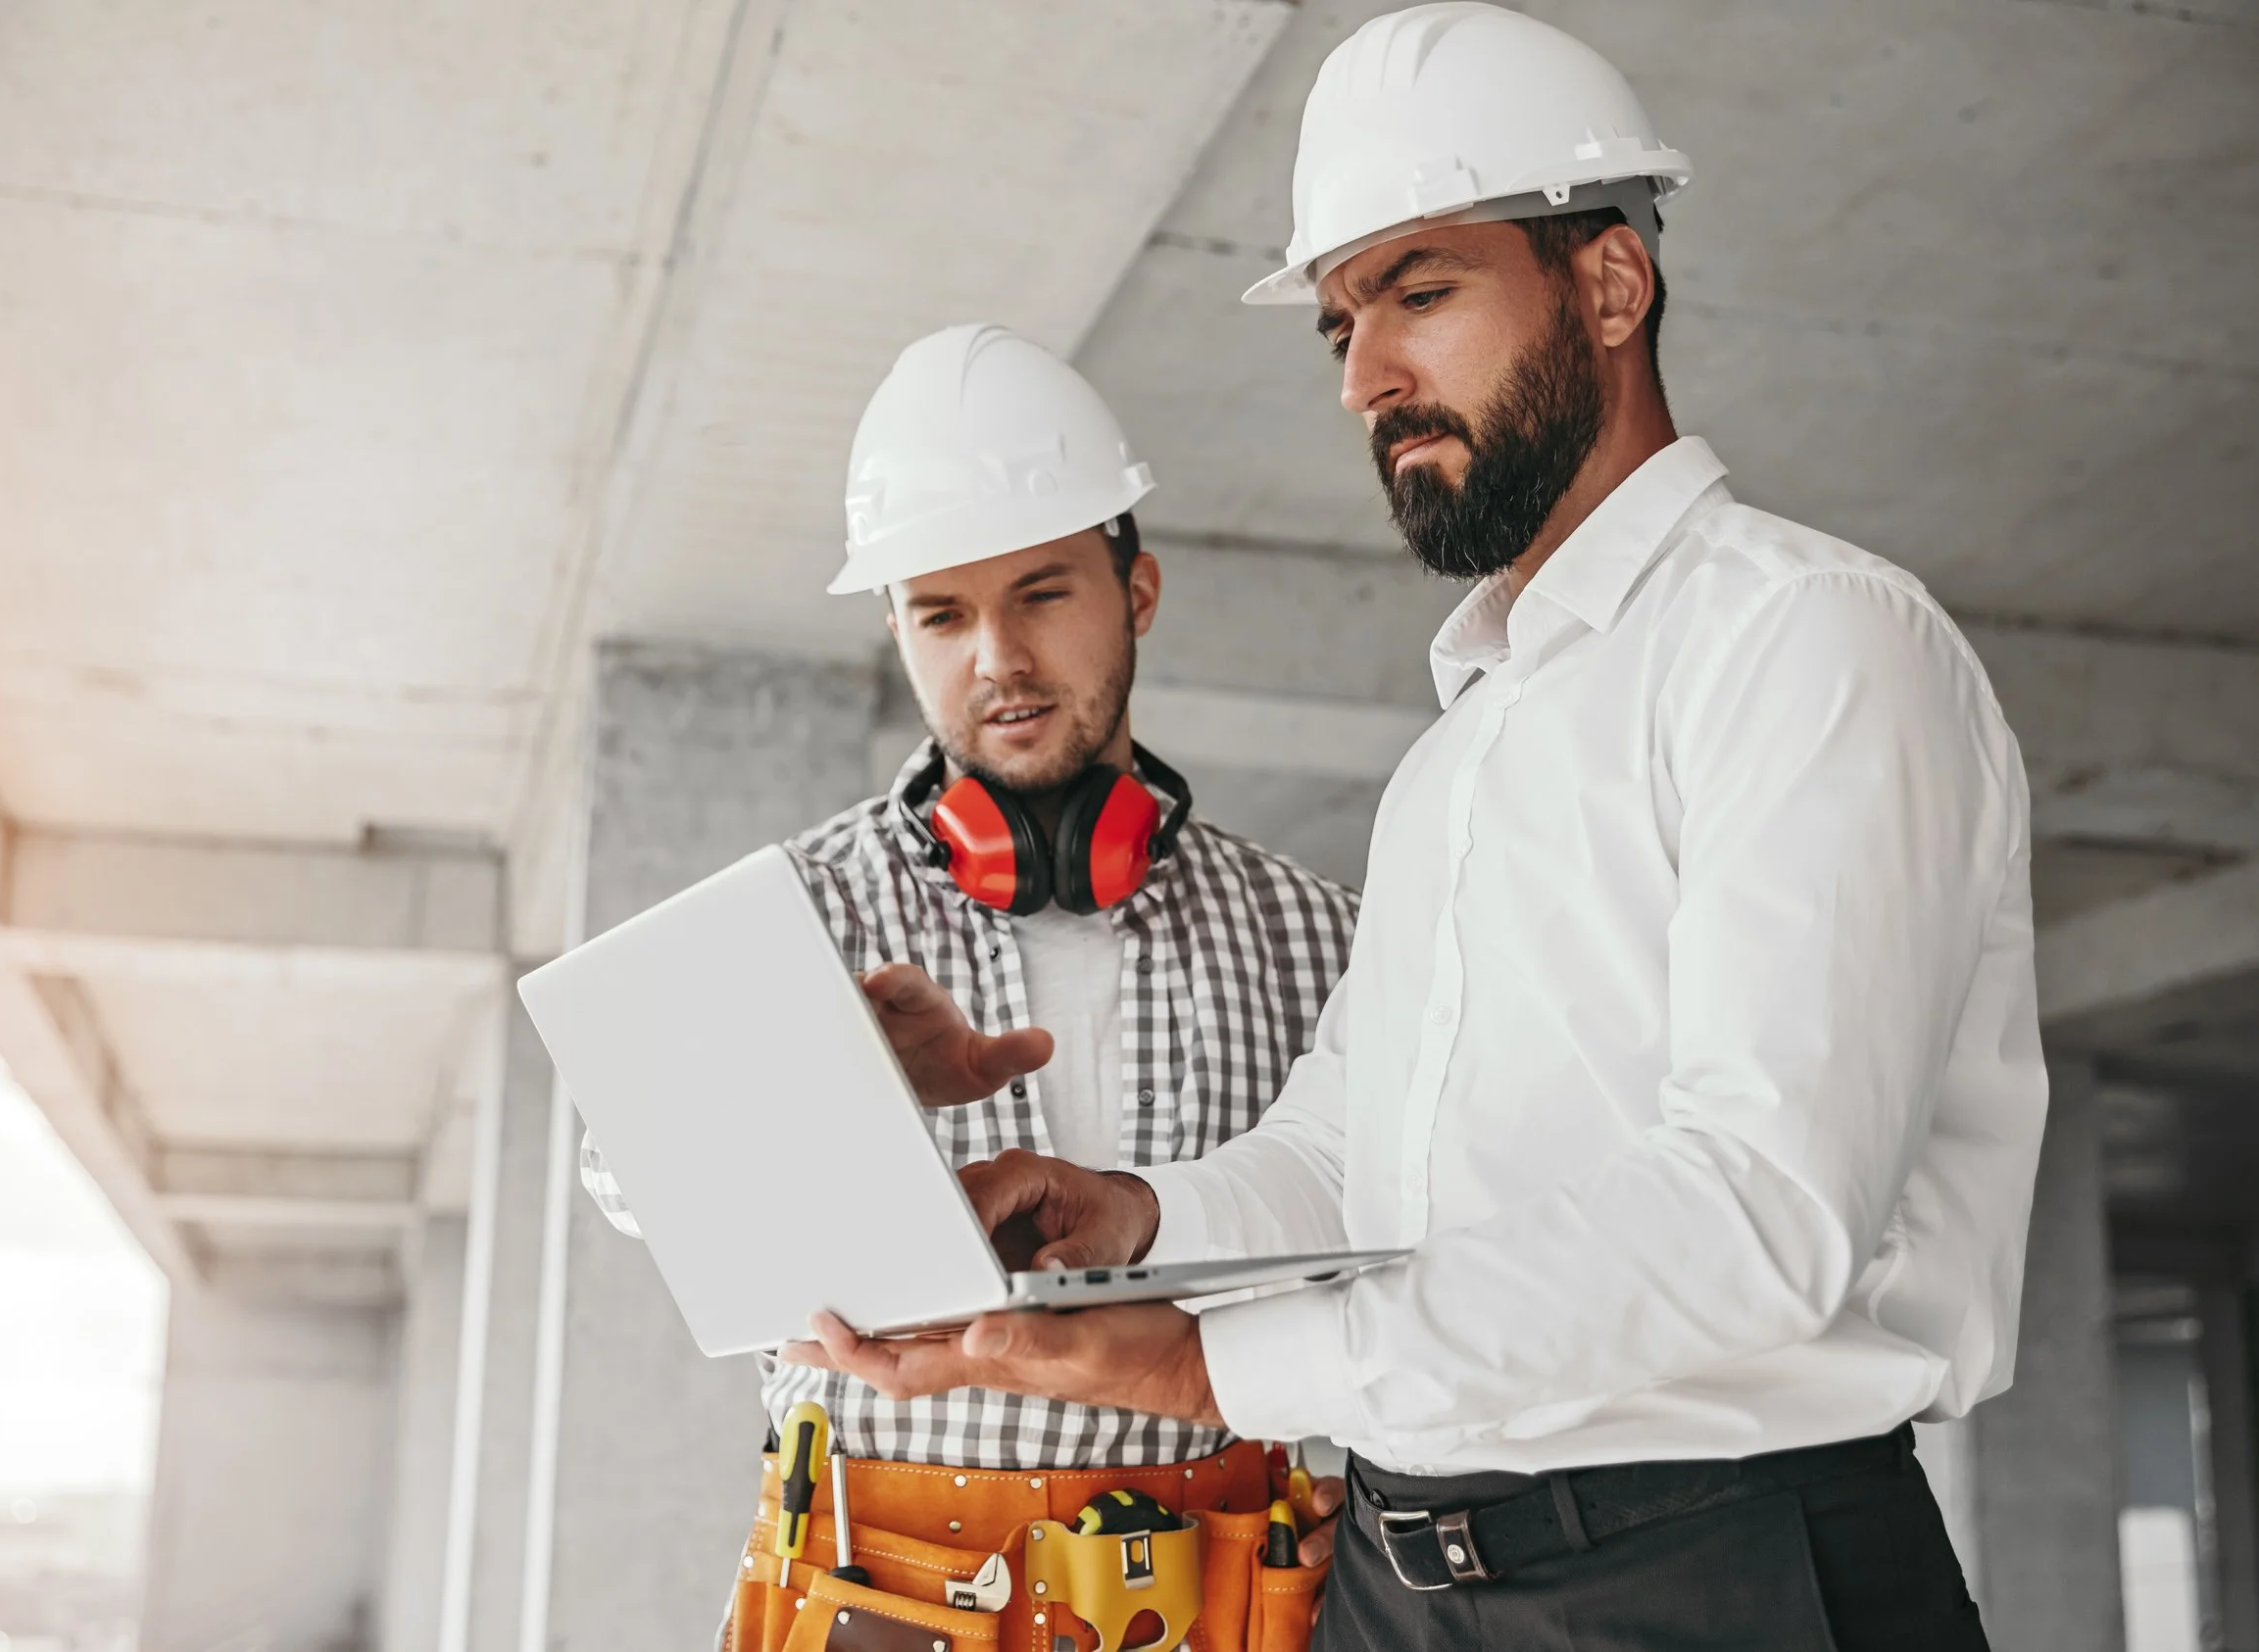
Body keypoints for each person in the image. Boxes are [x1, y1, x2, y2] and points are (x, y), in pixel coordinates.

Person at [785, 10, 2045, 1648]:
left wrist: (1205, 1360)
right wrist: (1137, 1216)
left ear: (1608, 286)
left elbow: (1757, 1213)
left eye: (1422, 292)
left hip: (1709, 1568)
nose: (1368, 377)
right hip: (1400, 1584)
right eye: (1339, 325)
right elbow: (1348, 1150)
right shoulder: (1462, 753)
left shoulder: (1805, 641)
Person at [581, 322, 1358, 1648]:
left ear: (1140, 590)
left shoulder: (1313, 930)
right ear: (898, 631)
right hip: (889, 1593)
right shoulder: (805, 912)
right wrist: (825, 1076)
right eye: (941, 612)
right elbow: (627, 1169)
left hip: (1235, 1586)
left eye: (1043, 592)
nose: (995, 654)